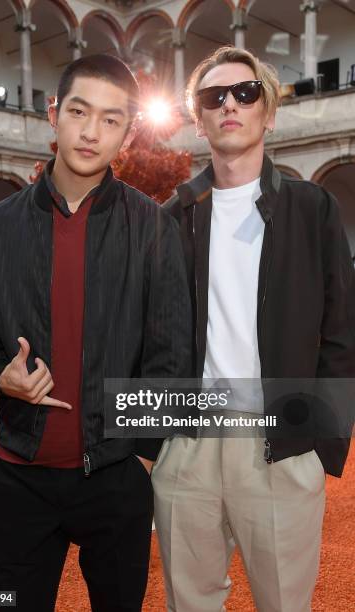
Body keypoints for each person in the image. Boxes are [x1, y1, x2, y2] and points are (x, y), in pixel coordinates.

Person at [0, 54, 191, 612]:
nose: (91, 132)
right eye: (80, 112)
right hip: (21, 478)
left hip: (116, 478)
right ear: (53, 114)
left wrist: (144, 459)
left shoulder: (153, 226)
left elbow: (172, 350)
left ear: (128, 133)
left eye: (111, 119)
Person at [152, 46, 355, 612]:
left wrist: (318, 442)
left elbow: (342, 332)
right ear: (200, 118)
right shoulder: (171, 219)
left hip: (280, 443)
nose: (231, 105)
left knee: (285, 605)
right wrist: (154, 438)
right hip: (189, 444)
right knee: (188, 605)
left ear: (267, 110)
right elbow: (146, 332)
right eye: (214, 97)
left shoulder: (312, 208)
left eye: (246, 92)